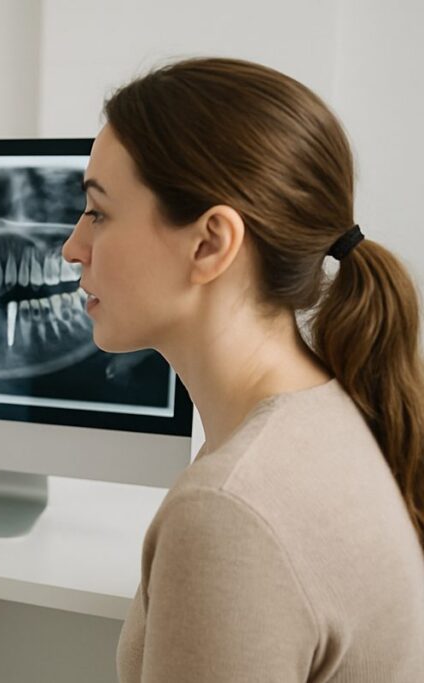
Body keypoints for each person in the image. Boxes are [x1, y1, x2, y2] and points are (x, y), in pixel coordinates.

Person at [61, 57, 424, 682]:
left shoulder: (227, 511)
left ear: (210, 243)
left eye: (98, 212)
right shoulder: (323, 416)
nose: (73, 247)